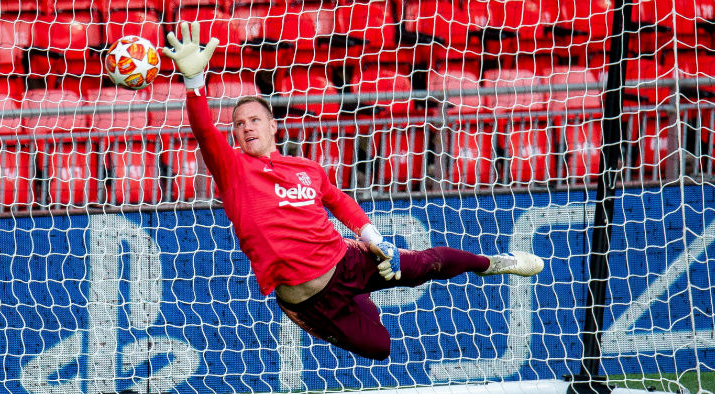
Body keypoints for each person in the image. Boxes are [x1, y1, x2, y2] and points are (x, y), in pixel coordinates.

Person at [163, 22, 544, 360]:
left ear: (274, 126)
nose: (247, 127)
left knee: (426, 265)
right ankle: (356, 292)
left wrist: (374, 239)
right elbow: (203, 131)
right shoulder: (233, 170)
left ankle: (495, 263)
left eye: (255, 119)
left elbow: (339, 200)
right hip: (310, 300)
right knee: (380, 346)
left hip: (346, 258)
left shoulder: (307, 168)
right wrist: (195, 83)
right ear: (234, 135)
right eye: (240, 123)